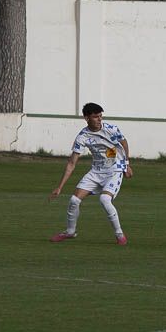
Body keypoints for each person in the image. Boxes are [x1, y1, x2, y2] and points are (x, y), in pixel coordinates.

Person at [48, 102, 133, 245]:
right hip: (96, 171)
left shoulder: (111, 129)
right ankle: (70, 232)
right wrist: (60, 187)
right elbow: (71, 163)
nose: (99, 119)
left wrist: (127, 164)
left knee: (105, 200)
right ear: (86, 118)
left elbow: (124, 143)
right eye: (95, 117)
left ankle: (119, 235)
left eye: (101, 116)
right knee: (74, 200)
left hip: (114, 170)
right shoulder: (82, 137)